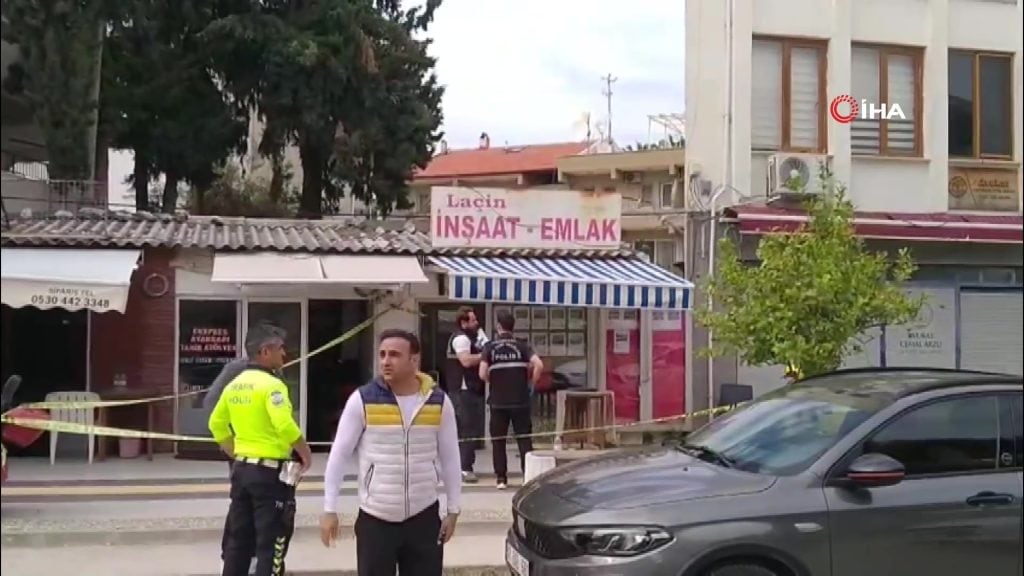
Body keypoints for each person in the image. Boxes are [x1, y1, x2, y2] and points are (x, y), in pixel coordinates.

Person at [320, 329, 462, 576]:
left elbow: (451, 457)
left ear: (414, 360)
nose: (386, 361)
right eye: (382, 354)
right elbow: (339, 455)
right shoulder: (363, 400)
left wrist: (453, 510)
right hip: (376, 519)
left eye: (394, 355)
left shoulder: (438, 402)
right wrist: (329, 508)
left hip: (423, 517)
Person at [208, 323, 313, 576]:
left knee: (238, 542)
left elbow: (216, 423)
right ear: (265, 352)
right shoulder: (272, 385)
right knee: (271, 542)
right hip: (269, 475)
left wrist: (236, 451)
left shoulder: (235, 385)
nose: (284, 354)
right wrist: (305, 452)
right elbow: (284, 425)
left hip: (242, 470)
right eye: (280, 349)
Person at [479, 310, 543, 490]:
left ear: (498, 326)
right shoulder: (522, 346)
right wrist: (531, 382)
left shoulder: (489, 347)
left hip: (498, 401)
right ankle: (527, 476)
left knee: (498, 440)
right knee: (524, 438)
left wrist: (494, 380)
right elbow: (539, 365)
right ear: (512, 327)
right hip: (520, 399)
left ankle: (501, 478)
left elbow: (482, 373)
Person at [445, 307, 488, 483]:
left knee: (470, 429)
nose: (476, 323)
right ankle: (464, 468)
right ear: (463, 323)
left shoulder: (472, 337)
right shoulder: (461, 339)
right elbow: (466, 360)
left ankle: (464, 465)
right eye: (473, 320)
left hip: (471, 389)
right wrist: (486, 355)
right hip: (463, 390)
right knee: (466, 429)